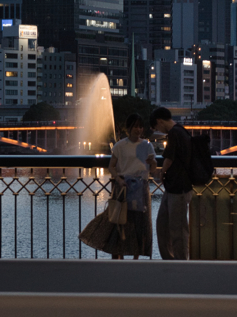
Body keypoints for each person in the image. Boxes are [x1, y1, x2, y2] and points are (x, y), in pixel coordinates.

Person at [79, 113, 156, 259]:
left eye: (140, 126)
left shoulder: (147, 145)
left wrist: (152, 164)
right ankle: (117, 253)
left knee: (139, 222)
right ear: (128, 128)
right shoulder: (120, 146)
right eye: (135, 126)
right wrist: (118, 179)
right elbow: (112, 166)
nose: (138, 130)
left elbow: (152, 169)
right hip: (124, 187)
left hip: (141, 188)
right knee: (119, 221)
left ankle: (136, 256)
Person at [150, 106, 193, 260]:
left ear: (159, 121)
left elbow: (169, 158)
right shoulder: (181, 130)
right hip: (174, 187)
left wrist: (162, 172)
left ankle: (180, 264)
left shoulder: (175, 133)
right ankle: (171, 260)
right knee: (164, 224)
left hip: (179, 188)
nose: (159, 131)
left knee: (177, 229)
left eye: (157, 127)